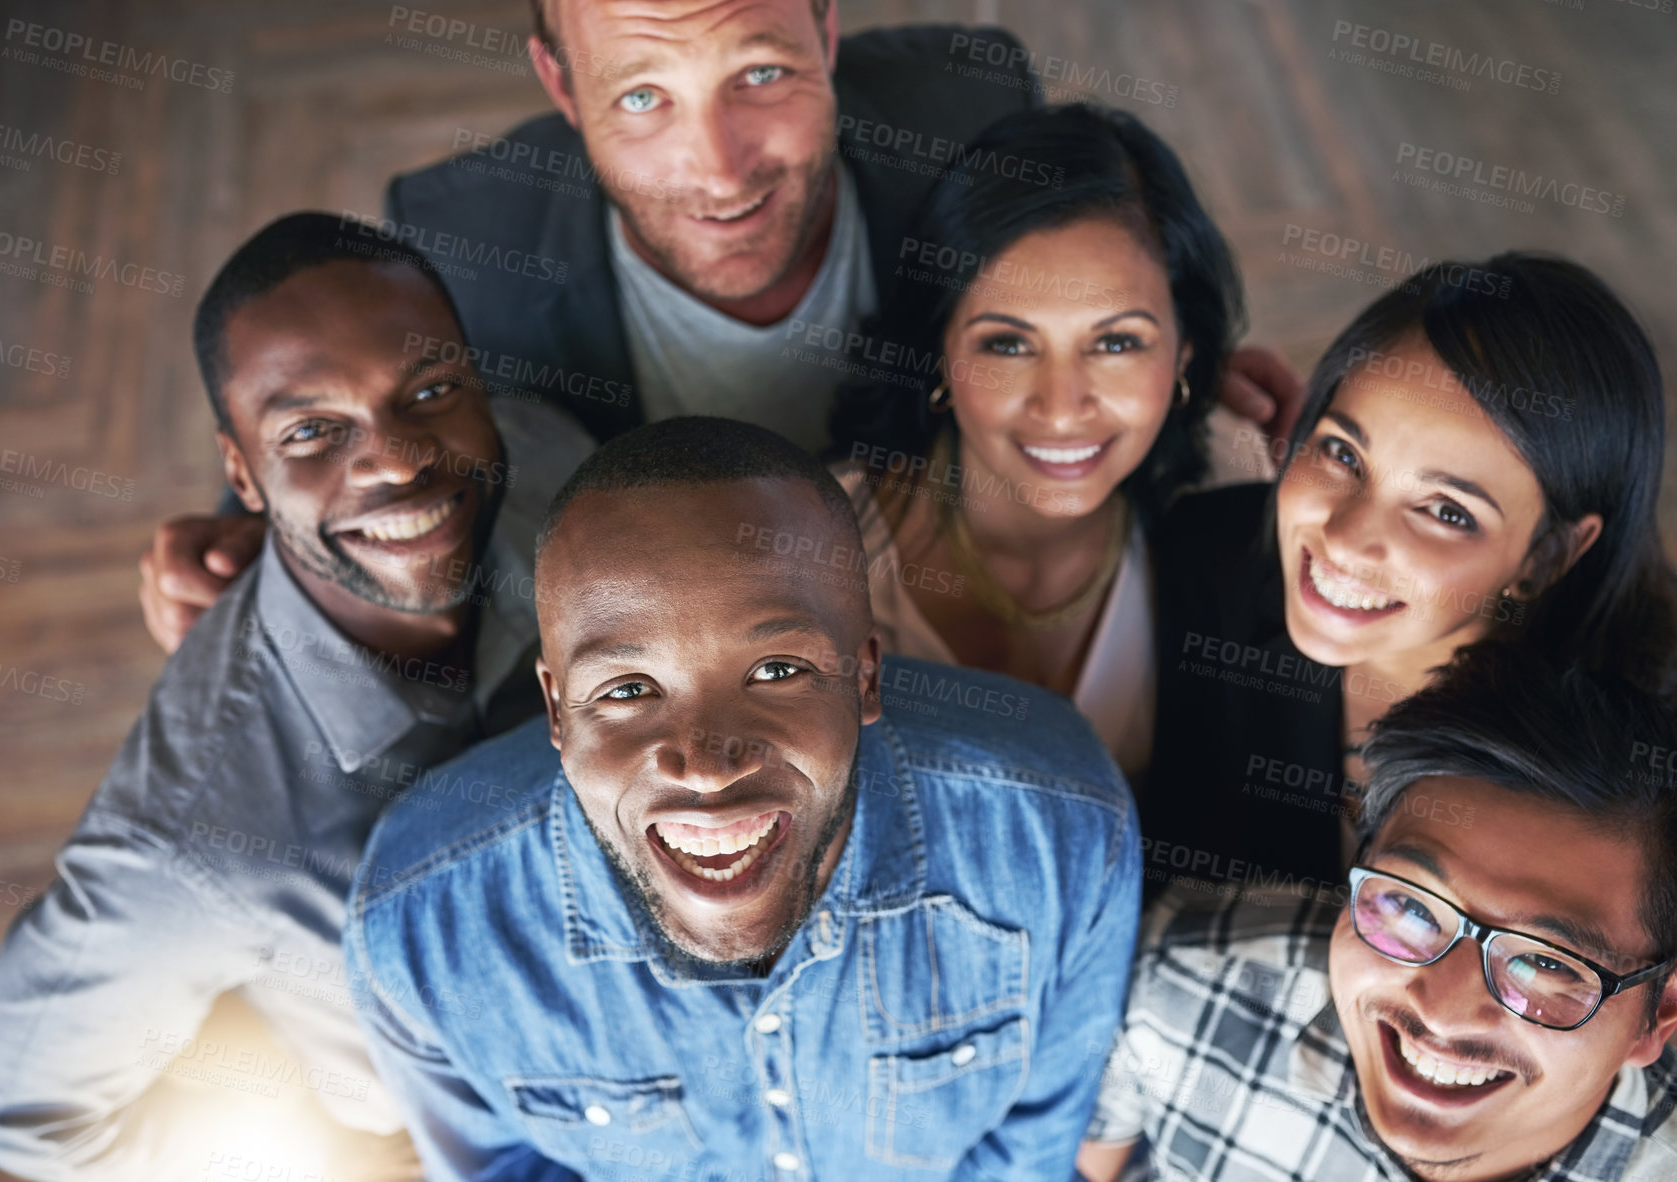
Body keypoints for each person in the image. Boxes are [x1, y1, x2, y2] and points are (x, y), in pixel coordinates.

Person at [136, 0, 1302, 656]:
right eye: (641, 96)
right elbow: (331, 416)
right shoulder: (460, 240)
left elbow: (1082, 281)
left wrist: (1173, 372)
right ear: (558, 82)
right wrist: (239, 538)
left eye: (758, 72)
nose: (719, 168)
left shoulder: (970, 103)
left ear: (827, 29)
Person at [344, 417, 1141, 1181]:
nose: (706, 765)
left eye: (775, 673)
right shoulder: (423, 930)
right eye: (627, 688)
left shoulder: (1060, 831)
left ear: (864, 675)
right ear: (557, 710)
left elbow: (1030, 1152)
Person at [0, 213, 592, 1181]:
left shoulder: (548, 465)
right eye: (313, 431)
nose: (397, 460)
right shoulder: (188, 840)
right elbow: (17, 1126)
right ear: (242, 474)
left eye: (432, 392)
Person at [1135, 251, 1677, 896]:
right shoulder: (1204, 563)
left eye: (1446, 511)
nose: (1346, 539)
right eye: (1342, 452)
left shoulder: (1635, 777)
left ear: (1546, 556)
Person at [1076, 641, 1677, 1181]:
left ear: (1659, 1014)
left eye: (1548, 966)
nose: (1440, 1012)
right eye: (1413, 906)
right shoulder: (1185, 982)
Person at [828, 102, 1244, 784]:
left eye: (1116, 342)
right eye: (1008, 344)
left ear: (1184, 358)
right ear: (939, 355)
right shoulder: (812, 555)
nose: (1061, 407)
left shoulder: (1252, 508)